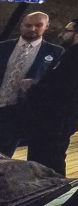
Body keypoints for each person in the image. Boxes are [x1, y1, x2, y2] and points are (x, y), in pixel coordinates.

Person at [25, 17, 78, 175]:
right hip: (61, 117)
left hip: (56, 118)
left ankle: (51, 188)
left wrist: (33, 87)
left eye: (67, 31)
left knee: (48, 159)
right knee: (50, 157)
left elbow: (61, 87)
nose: (61, 34)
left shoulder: (77, 55)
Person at [0, 11, 63, 157]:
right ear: (21, 25)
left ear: (46, 26)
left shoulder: (55, 52)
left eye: (38, 25)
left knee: (5, 153)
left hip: (19, 110)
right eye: (28, 25)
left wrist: (35, 84)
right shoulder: (3, 47)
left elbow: (55, 83)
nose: (32, 29)